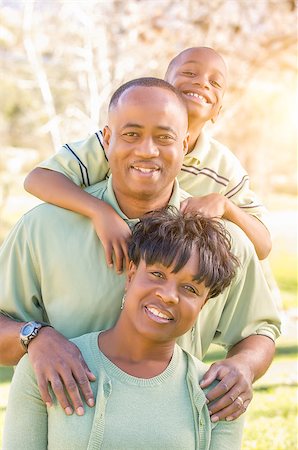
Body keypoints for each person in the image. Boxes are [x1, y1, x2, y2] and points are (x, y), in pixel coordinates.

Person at [0, 78, 280, 425]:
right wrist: (35, 338)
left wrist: (243, 366)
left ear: (185, 143)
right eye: (131, 134)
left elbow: (259, 330)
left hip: (172, 434)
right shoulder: (42, 228)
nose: (147, 150)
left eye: (164, 137)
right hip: (63, 432)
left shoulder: (224, 242)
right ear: (107, 139)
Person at [3, 208, 244, 450]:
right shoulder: (47, 367)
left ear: (203, 305)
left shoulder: (219, 394)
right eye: (157, 274)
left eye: (190, 289)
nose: (168, 295)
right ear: (130, 275)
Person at [24, 47, 272, 277]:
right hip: (101, 264)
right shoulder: (116, 143)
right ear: (164, 88)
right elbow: (38, 179)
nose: (201, 82)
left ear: (218, 110)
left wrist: (225, 205)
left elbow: (262, 246)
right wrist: (100, 212)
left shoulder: (223, 167)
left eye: (215, 82)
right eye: (189, 72)